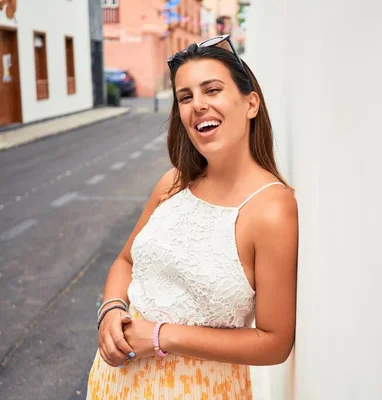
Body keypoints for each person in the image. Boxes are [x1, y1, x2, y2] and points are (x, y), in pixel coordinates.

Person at [86, 35, 298, 399]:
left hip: (200, 390)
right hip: (114, 384)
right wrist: (111, 310)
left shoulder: (272, 209)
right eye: (185, 97)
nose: (197, 105)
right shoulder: (172, 184)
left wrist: (159, 335)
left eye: (211, 90)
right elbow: (125, 261)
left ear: (251, 103)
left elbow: (275, 342)